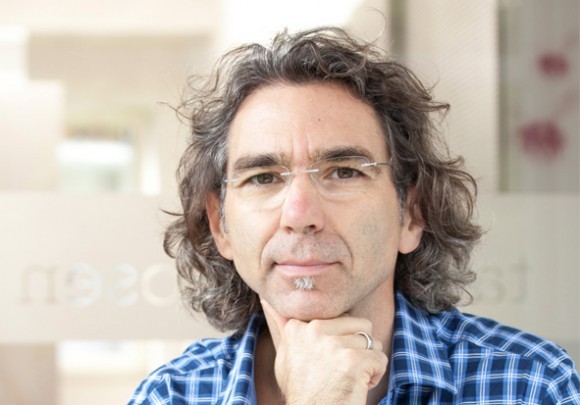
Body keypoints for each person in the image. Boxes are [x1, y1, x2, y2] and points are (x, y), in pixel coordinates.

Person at [128, 27, 580, 404]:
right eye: (263, 178)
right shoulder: (172, 395)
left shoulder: (530, 384)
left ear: (411, 213)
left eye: (344, 172)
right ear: (220, 225)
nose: (300, 214)